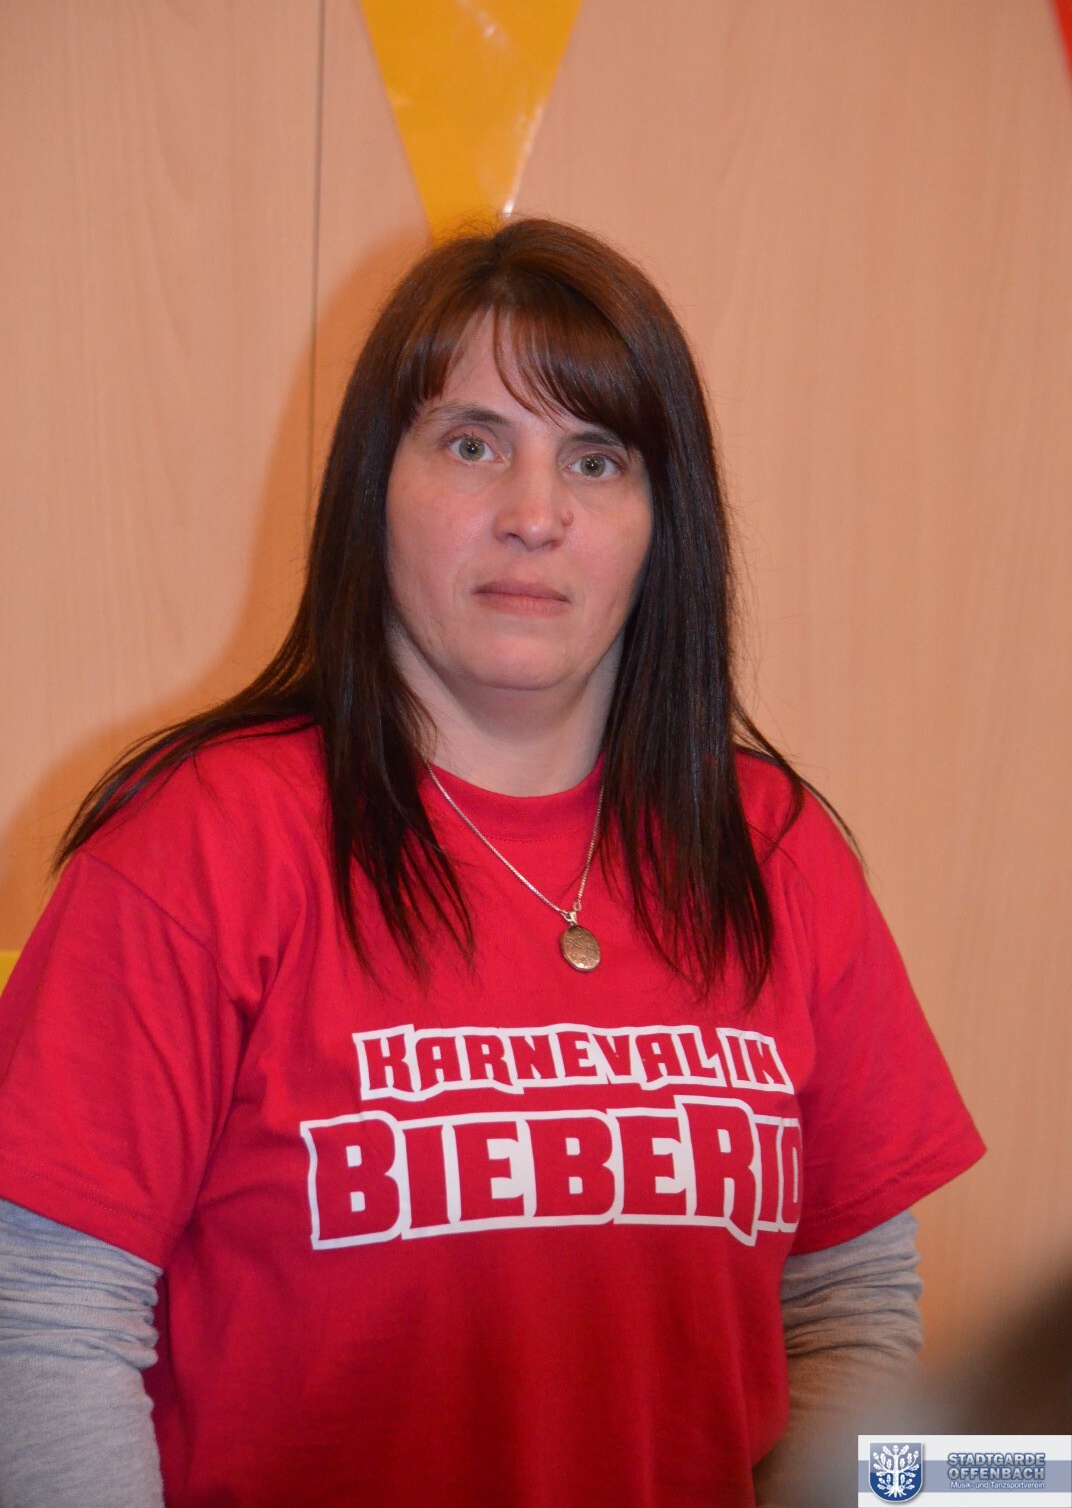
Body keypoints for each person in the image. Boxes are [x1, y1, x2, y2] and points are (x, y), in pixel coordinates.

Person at [0, 218, 983, 1508]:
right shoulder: (197, 844)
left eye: (596, 459)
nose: (534, 516)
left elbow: (850, 1308)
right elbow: (46, 1320)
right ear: (374, 489)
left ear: (663, 522)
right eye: (473, 445)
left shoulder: (777, 853)